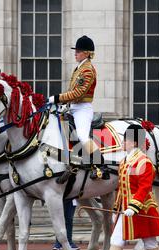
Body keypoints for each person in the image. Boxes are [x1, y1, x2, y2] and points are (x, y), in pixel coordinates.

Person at [86, 124, 159, 250]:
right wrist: (117, 209)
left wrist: (133, 206)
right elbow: (121, 188)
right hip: (126, 210)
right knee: (116, 240)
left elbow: (144, 188)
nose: (123, 142)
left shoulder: (144, 162)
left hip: (142, 209)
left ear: (134, 142)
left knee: (150, 243)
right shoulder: (125, 161)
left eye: (126, 140)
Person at [48, 35, 109, 183]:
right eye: (76, 50)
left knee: (82, 135)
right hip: (73, 107)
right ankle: (73, 163)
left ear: (87, 53)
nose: (75, 53)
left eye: (79, 51)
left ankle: (101, 166)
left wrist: (56, 98)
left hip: (82, 108)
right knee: (60, 129)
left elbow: (78, 93)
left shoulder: (88, 70)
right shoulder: (79, 68)